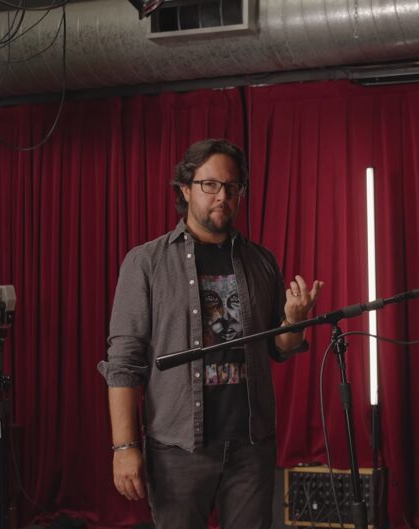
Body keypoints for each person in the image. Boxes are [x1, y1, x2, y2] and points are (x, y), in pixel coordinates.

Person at [97, 138, 323, 529]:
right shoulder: (146, 263)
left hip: (251, 445)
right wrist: (124, 446)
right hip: (178, 448)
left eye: (232, 187)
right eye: (210, 185)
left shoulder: (261, 261)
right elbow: (124, 363)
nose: (223, 196)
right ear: (185, 189)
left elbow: (280, 348)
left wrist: (294, 321)